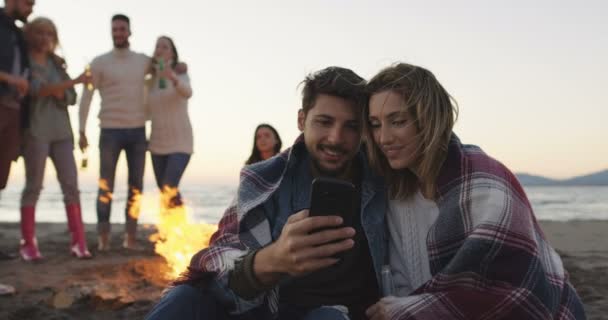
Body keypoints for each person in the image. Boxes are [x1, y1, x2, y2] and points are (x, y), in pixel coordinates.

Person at [146, 67, 387, 320]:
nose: (336, 138)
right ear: (302, 120)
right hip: (268, 309)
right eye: (324, 122)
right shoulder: (264, 178)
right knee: (184, 298)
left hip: (345, 313)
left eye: (351, 126)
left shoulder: (386, 179)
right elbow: (218, 259)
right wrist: (274, 259)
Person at [363, 63, 586, 319]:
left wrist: (409, 310)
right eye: (375, 124)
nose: (384, 138)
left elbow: (518, 292)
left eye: (397, 121)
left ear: (428, 119)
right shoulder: (395, 192)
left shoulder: (485, 182)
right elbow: (402, 280)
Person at [18, 17, 92, 261]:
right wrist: (73, 82)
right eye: (40, 33)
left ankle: (79, 243)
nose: (44, 38)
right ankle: (28, 244)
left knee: (71, 186)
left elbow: (69, 97)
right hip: (36, 131)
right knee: (34, 186)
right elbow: (37, 91)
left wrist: (62, 88)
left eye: (49, 34)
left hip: (62, 132)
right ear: (31, 35)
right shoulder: (25, 60)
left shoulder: (56, 64)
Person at [79, 14, 152, 251]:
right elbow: (87, 97)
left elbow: (165, 65)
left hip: (138, 130)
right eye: (115, 29)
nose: (118, 33)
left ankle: (130, 237)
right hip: (109, 130)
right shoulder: (99, 62)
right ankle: (103, 238)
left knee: (136, 186)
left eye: (122, 29)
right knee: (105, 186)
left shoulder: (143, 61)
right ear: (111, 32)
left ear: (130, 31)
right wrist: (81, 130)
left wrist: (180, 66)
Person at [0, 0, 35, 296]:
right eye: (28, 1)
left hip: (13, 112)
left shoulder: (17, 32)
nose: (31, 7)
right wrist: (9, 78)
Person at [147, 36, 193, 210]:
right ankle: (174, 230)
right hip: (157, 144)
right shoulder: (149, 78)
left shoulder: (180, 73)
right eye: (157, 46)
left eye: (164, 46)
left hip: (180, 142)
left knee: (169, 187)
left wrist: (173, 77)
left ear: (172, 52)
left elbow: (188, 92)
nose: (159, 49)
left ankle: (176, 229)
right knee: (165, 192)